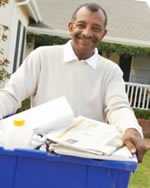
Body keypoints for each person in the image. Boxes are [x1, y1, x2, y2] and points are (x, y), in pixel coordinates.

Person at [0, 3, 146, 162]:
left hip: (86, 157)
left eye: (96, 28)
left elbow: (118, 107)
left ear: (103, 34)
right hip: (40, 152)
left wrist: (131, 128)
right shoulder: (42, 56)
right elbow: (11, 94)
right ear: (70, 27)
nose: (87, 33)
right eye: (81, 25)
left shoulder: (111, 71)